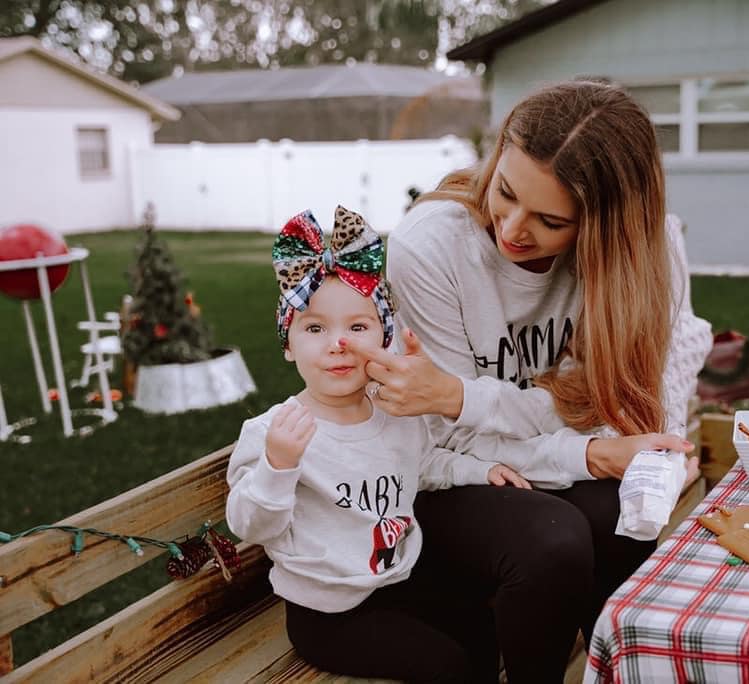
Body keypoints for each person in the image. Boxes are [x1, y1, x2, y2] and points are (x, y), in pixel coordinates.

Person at [342, 80, 714, 682]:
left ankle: (630, 671)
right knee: (553, 537)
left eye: (550, 220)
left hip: (524, 457)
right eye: (505, 191)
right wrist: (584, 444)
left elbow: (614, 399)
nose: (512, 227)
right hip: (431, 479)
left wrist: (638, 447)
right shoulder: (433, 246)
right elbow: (448, 433)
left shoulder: (636, 259)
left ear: (601, 227)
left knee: (618, 516)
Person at [225, 206, 563, 683]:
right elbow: (250, 524)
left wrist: (477, 471)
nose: (338, 344)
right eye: (315, 328)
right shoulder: (276, 432)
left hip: (397, 579)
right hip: (327, 611)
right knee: (443, 666)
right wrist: (277, 468)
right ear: (288, 344)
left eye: (357, 327)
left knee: (478, 627)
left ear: (385, 335)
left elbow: (424, 464)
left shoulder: (393, 414)